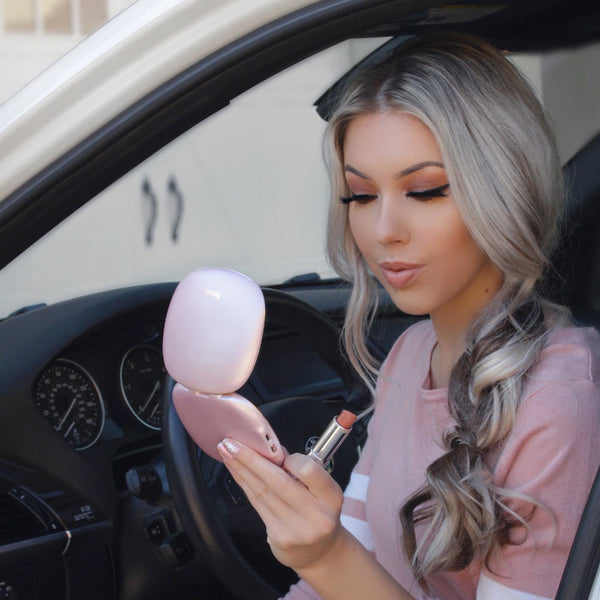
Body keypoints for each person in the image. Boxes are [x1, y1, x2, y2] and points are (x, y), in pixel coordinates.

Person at [216, 33, 600, 599]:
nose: (383, 230)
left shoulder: (558, 401)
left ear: (504, 190)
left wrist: (325, 554)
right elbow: (344, 568)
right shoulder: (412, 352)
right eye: (361, 196)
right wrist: (326, 557)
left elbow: (342, 562)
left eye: (424, 191)